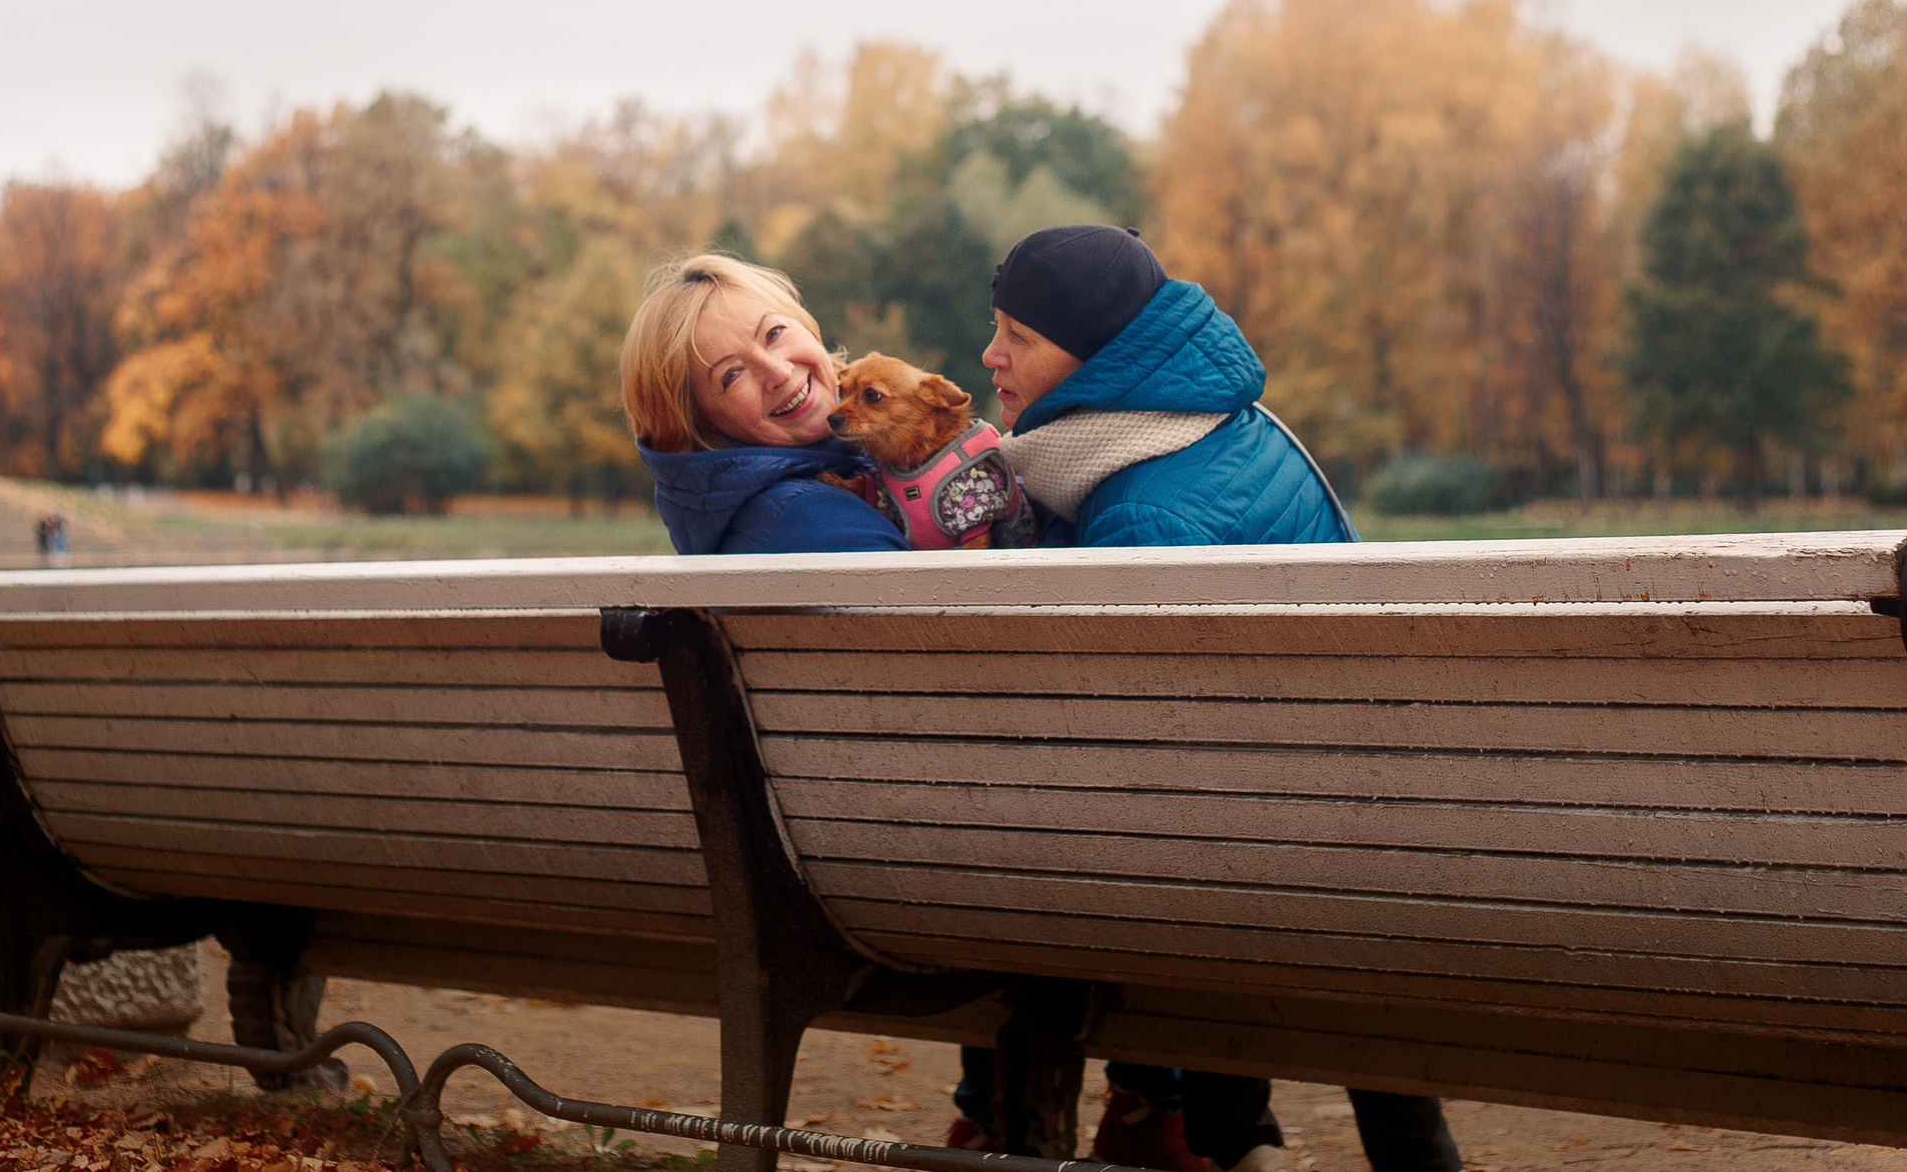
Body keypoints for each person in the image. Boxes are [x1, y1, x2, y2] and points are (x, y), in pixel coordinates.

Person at [947, 225, 1463, 1172]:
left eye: (1017, 334)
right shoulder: (1217, 420)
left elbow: (1122, 744)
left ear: (1095, 353)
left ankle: (1212, 1133)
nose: (991, 355)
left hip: (1257, 843)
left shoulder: (1139, 508)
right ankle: (1249, 1134)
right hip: (1358, 805)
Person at [621, 252, 906, 555]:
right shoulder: (808, 519)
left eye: (773, 333)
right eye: (732, 375)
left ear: (803, 322)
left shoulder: (864, 450)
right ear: (701, 422)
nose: (779, 372)